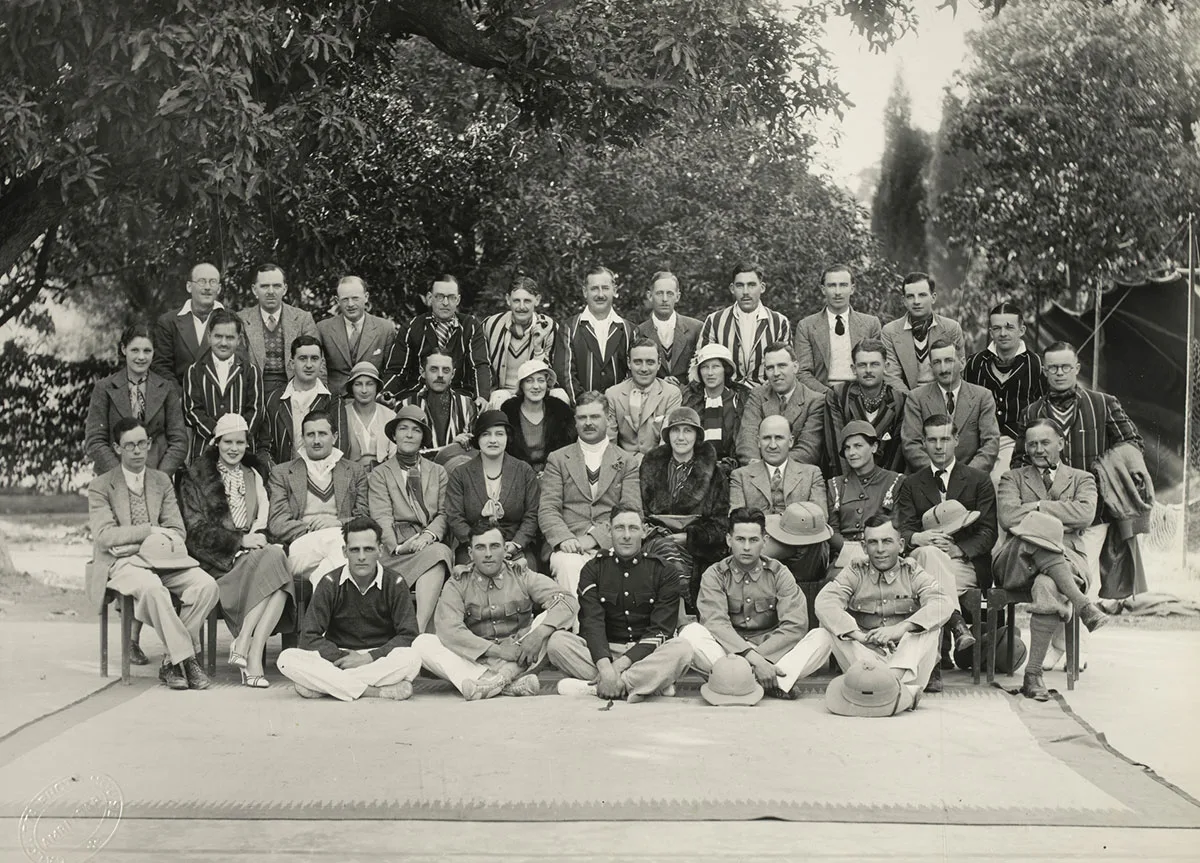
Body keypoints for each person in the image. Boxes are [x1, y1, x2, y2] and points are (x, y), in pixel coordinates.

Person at [86, 417, 219, 691]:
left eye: (142, 444)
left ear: (149, 444)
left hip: (163, 559)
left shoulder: (161, 481)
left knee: (207, 586)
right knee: (153, 589)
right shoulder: (100, 486)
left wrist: (138, 539)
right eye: (129, 445)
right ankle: (187, 659)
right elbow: (105, 537)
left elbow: (177, 531)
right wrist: (150, 531)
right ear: (116, 448)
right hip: (121, 563)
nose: (137, 451)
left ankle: (172, 660)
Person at [1010, 341, 1148, 581]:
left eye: (1065, 366)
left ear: (1077, 368)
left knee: (1087, 580)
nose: (1059, 373)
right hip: (1048, 515)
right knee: (1055, 581)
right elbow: (1019, 462)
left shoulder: (1103, 404)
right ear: (1044, 371)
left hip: (1094, 512)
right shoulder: (1031, 413)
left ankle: (1086, 615)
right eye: (1053, 368)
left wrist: (1105, 470)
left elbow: (1133, 443)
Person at [177, 414, 294, 688]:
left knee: (276, 560)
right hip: (217, 563)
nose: (234, 448)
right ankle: (247, 651)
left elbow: (263, 520)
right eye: (227, 442)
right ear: (217, 443)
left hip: (253, 555)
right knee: (279, 571)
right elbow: (194, 533)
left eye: (240, 442)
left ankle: (247, 647)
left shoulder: (253, 476)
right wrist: (238, 542)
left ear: (246, 444)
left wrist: (258, 539)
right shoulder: (196, 478)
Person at [996, 419, 1111, 699]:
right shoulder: (1012, 478)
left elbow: (1085, 514)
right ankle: (1084, 605)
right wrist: (1061, 518)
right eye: (1032, 443)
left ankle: (1032, 675)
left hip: (1068, 561)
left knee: (1047, 585)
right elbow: (1009, 517)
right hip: (1017, 560)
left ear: (1061, 442)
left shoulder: (1082, 478)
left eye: (1045, 442)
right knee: (1036, 541)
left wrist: (1036, 508)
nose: (1038, 449)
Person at [680, 508, 834, 699]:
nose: (746, 547)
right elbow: (715, 624)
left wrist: (762, 659)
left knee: (823, 636)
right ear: (729, 540)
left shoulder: (779, 573)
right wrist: (753, 660)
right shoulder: (715, 574)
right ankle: (774, 682)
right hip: (728, 651)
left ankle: (736, 680)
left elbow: (795, 625)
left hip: (772, 650)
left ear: (764, 542)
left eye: (753, 540)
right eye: (740, 539)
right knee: (691, 633)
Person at [414, 524, 579, 700]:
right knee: (422, 643)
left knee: (548, 621)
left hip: (521, 656)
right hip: (477, 659)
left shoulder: (521, 575)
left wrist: (538, 635)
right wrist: (498, 651)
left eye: (494, 546)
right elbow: (450, 629)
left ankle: (492, 683)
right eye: (480, 547)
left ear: (504, 549)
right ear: (470, 553)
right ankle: (504, 682)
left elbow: (567, 600)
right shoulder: (458, 583)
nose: (488, 554)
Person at [547, 506, 694, 702]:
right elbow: (592, 623)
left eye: (633, 528)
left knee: (682, 649)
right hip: (605, 651)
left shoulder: (664, 571)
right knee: (557, 642)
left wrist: (616, 669)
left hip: (645, 654)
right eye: (619, 528)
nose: (626, 535)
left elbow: (661, 631)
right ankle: (644, 684)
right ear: (609, 531)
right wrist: (605, 667)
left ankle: (601, 686)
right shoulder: (593, 569)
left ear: (644, 531)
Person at [816, 516, 952, 714]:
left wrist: (900, 629)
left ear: (901, 544)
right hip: (867, 661)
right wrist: (859, 636)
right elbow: (825, 602)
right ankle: (780, 679)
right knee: (826, 627)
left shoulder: (912, 571)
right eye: (873, 542)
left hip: (908, 664)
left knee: (930, 627)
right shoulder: (856, 571)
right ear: (864, 547)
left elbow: (943, 603)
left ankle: (888, 684)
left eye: (887, 541)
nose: (880, 549)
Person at [276, 517, 422, 701]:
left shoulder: (395, 582)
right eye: (355, 550)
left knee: (412, 658)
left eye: (368, 549)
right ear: (345, 552)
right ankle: (374, 691)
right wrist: (344, 658)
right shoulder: (330, 582)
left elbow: (409, 635)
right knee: (287, 658)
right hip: (339, 657)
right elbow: (308, 637)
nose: (361, 557)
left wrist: (367, 658)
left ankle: (324, 686)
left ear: (380, 550)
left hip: (378, 658)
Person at [895, 413, 996, 673]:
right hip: (922, 559)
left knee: (931, 585)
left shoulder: (979, 480)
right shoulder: (911, 483)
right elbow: (904, 528)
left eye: (944, 439)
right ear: (924, 443)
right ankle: (956, 624)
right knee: (929, 555)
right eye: (932, 440)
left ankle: (934, 665)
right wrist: (917, 538)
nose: (939, 446)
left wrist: (959, 549)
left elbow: (988, 532)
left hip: (964, 564)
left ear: (956, 440)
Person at [538, 391, 641, 596]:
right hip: (568, 545)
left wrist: (594, 539)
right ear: (575, 422)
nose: (588, 423)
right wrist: (565, 539)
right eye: (582, 417)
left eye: (594, 417)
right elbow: (548, 508)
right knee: (568, 566)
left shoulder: (627, 461)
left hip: (614, 543)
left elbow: (633, 510)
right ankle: (577, 628)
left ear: (609, 419)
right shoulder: (558, 459)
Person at [367, 406, 454, 633]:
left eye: (416, 430)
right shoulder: (380, 473)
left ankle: (416, 630)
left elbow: (445, 513)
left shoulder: (438, 472)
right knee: (436, 555)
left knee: (439, 553)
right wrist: (397, 547)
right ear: (394, 435)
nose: (408, 434)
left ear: (423, 437)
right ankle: (416, 632)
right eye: (403, 429)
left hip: (427, 542)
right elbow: (381, 515)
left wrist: (427, 535)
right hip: (394, 547)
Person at [639, 407, 730, 612]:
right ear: (668, 435)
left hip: (696, 547)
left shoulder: (715, 474)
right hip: (655, 539)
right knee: (664, 549)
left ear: (697, 436)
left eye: (687, 431)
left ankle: (675, 614)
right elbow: (639, 511)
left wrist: (688, 538)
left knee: (670, 554)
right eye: (675, 430)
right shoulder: (649, 466)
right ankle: (685, 609)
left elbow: (721, 524)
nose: (681, 437)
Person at [267, 409, 369, 589]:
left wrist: (337, 523)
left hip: (338, 547)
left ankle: (321, 612)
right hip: (299, 548)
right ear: (303, 438)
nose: (316, 441)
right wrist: (316, 529)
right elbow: (277, 523)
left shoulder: (354, 471)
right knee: (341, 543)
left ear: (335, 436)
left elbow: (364, 518)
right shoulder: (282, 472)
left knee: (327, 570)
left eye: (322, 434)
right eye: (310, 435)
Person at [85, 321, 188, 480]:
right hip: (114, 478)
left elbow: (179, 441)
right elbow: (95, 440)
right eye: (135, 350)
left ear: (154, 352)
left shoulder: (167, 389)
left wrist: (159, 477)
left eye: (147, 351)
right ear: (123, 349)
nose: (141, 357)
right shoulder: (104, 388)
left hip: (156, 477)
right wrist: (121, 476)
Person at [446, 411, 540, 569]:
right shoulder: (461, 474)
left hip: (513, 546)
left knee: (524, 576)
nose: (493, 440)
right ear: (478, 438)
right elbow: (455, 517)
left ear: (507, 437)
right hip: (474, 546)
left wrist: (516, 544)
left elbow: (532, 514)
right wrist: (479, 545)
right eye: (486, 434)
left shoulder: (524, 471)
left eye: (499, 434)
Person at [729, 416, 827, 565]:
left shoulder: (812, 473)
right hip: (761, 546)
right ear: (758, 442)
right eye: (767, 438)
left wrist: (772, 523)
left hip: (804, 547)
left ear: (791, 441)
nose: (772, 445)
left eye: (779, 438)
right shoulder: (741, 476)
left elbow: (820, 517)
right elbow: (736, 519)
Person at [963, 301, 1043, 484]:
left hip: (1017, 440)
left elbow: (1042, 408)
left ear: (1021, 330)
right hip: (979, 439)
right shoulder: (975, 363)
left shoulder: (1035, 365)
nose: (1003, 333)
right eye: (997, 328)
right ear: (991, 332)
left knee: (1000, 480)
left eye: (1009, 327)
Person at [385, 274, 492, 405]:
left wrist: (482, 396)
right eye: (440, 296)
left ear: (458, 300)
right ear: (430, 298)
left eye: (451, 297)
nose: (445, 303)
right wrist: (386, 393)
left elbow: (480, 366)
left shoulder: (470, 326)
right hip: (418, 394)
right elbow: (397, 370)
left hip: (459, 395)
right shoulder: (412, 327)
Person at [901, 339, 1000, 474]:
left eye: (949, 360)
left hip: (970, 477)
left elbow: (990, 444)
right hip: (929, 478)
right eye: (937, 362)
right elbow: (911, 445)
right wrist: (938, 474)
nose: (943, 369)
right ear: (931, 367)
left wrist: (964, 476)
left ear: (962, 363)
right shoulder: (916, 398)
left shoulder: (982, 397)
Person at [182, 308, 264, 463]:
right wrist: (218, 432)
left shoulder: (250, 371)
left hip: (240, 450)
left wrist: (236, 436)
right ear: (209, 336)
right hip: (205, 449)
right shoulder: (194, 370)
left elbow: (256, 410)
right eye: (218, 336)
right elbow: (192, 411)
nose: (224, 343)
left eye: (230, 337)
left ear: (239, 340)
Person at [236, 263, 321, 404]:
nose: (271, 291)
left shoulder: (302, 318)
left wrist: (317, 398)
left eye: (276, 286)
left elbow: (318, 361)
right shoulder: (242, 320)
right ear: (254, 290)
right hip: (255, 391)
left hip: (295, 389)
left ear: (285, 289)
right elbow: (238, 363)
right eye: (264, 286)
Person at [697, 262, 791, 388]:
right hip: (727, 397)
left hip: (767, 395)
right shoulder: (715, 321)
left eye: (751, 285)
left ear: (762, 287)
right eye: (740, 285)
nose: (745, 292)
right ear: (732, 288)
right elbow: (701, 361)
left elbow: (785, 366)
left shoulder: (779, 322)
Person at [793, 263, 883, 395]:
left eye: (843, 285)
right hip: (821, 397)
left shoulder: (870, 324)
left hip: (862, 396)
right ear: (823, 290)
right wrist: (828, 395)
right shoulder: (807, 326)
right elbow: (802, 372)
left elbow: (876, 367)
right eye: (832, 285)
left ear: (852, 289)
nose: (838, 292)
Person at [552, 266, 637, 404]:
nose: (600, 294)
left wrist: (616, 405)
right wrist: (585, 406)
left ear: (614, 290)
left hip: (619, 412)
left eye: (605, 288)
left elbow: (633, 373)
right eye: (594, 288)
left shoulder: (629, 330)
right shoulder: (569, 328)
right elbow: (565, 374)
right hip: (580, 414)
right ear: (585, 292)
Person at [827, 421, 904, 570]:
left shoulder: (895, 481)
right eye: (847, 448)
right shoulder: (836, 485)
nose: (852, 453)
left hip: (884, 555)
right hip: (846, 558)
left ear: (874, 447)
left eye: (858, 446)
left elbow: (897, 524)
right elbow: (832, 529)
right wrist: (853, 551)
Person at [824, 337, 907, 476]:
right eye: (862, 365)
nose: (868, 370)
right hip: (846, 480)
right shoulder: (838, 395)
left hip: (884, 482)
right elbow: (836, 451)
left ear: (886, 367)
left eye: (874, 364)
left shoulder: (900, 401)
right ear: (854, 368)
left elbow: (896, 455)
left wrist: (881, 487)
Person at [735, 342, 824, 466]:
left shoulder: (815, 401)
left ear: (795, 367)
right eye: (770, 368)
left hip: (796, 476)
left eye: (782, 366)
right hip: (756, 472)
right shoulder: (757, 395)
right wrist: (756, 468)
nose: (776, 373)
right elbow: (747, 437)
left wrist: (772, 468)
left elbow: (808, 450)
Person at [257, 335, 335, 468]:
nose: (309, 365)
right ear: (292, 363)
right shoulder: (273, 399)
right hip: (282, 476)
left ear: (321, 363)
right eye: (302, 359)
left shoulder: (332, 399)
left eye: (314, 359)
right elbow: (264, 448)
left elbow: (339, 444)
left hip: (323, 476)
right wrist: (277, 475)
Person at [482, 276, 560, 408]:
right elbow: (482, 365)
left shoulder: (549, 327)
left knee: (560, 395)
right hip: (501, 391)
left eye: (527, 301)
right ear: (508, 300)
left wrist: (538, 349)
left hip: (536, 391)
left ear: (537, 300)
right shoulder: (492, 324)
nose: (521, 307)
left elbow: (551, 375)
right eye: (516, 300)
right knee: (499, 398)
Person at [881, 272, 965, 393]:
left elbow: (958, 370)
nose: (916, 301)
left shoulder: (951, 328)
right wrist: (913, 401)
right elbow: (892, 377)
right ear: (904, 300)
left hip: (943, 396)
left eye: (922, 295)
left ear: (933, 297)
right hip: (906, 398)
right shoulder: (890, 331)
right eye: (910, 296)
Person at [390, 350, 477, 467]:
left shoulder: (467, 405)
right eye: (434, 369)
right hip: (418, 472)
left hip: (457, 474)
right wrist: (450, 449)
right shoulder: (405, 406)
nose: (440, 375)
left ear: (453, 374)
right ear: (422, 372)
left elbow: (472, 450)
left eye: (446, 370)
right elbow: (403, 453)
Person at [316, 276, 396, 396]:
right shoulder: (323, 328)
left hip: (372, 398)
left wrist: (382, 395)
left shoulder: (385, 328)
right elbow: (319, 370)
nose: (350, 304)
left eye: (355, 298)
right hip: (334, 398)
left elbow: (389, 370)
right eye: (345, 299)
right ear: (337, 301)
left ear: (366, 297)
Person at [151, 261, 228, 384]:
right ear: (189, 286)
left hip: (222, 399)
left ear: (218, 289)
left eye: (212, 282)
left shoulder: (231, 319)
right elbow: (161, 367)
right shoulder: (168, 322)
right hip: (181, 398)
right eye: (202, 281)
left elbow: (239, 362)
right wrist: (179, 399)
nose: (207, 287)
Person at [605, 337, 683, 458]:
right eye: (638, 362)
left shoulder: (671, 394)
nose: (644, 369)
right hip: (623, 465)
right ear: (628, 363)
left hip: (658, 464)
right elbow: (610, 443)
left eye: (650, 362)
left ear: (658, 363)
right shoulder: (613, 394)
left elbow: (667, 441)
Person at [500, 359, 577, 474]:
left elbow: (568, 451)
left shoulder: (560, 411)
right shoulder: (508, 413)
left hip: (554, 473)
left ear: (547, 384)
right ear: (521, 385)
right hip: (517, 474)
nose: (536, 386)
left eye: (541, 380)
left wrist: (549, 471)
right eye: (529, 381)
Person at [679, 343, 748, 470]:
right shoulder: (689, 401)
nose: (710, 373)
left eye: (715, 367)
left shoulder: (740, 400)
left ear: (725, 370)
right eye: (705, 367)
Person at [635, 271, 702, 387]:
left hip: (690, 400)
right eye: (659, 293)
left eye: (670, 294)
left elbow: (704, 369)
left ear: (678, 296)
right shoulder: (639, 332)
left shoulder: (696, 328)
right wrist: (658, 383)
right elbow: (635, 372)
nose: (665, 299)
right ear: (650, 296)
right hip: (654, 398)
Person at [341, 361, 396, 470]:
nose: (364, 390)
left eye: (370, 384)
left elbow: (395, 457)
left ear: (377, 387)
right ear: (351, 387)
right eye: (358, 384)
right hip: (349, 475)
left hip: (384, 476)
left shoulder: (390, 416)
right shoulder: (342, 415)